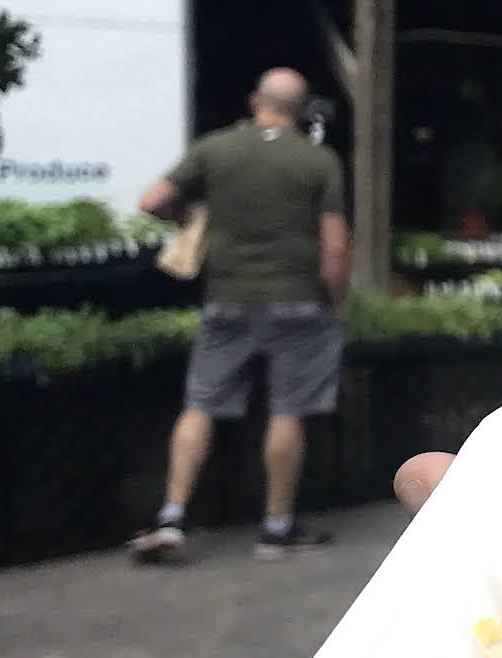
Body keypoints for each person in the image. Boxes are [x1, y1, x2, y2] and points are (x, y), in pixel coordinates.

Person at [129, 68, 350, 564]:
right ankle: (275, 530)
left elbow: (152, 201)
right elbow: (334, 246)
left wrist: (184, 219)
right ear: (302, 109)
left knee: (200, 404)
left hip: (227, 300)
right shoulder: (318, 161)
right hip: (298, 303)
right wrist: (336, 301)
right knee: (286, 410)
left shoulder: (215, 149)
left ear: (256, 101)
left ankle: (172, 518)